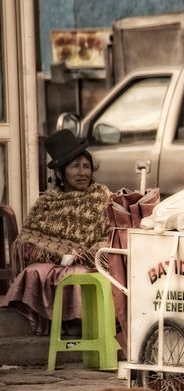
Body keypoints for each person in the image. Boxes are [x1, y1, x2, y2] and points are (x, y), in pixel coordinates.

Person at [1, 130, 111, 335]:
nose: (82, 172)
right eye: (75, 166)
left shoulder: (101, 197)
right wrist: (59, 255)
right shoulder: (46, 203)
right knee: (33, 273)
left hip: (88, 263)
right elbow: (28, 240)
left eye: (86, 166)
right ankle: (55, 324)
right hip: (55, 263)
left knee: (77, 275)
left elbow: (109, 236)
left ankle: (76, 323)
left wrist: (80, 255)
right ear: (60, 173)